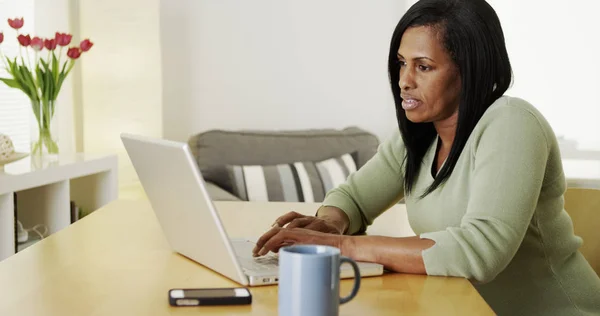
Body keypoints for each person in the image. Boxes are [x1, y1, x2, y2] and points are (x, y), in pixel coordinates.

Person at [251, 0, 600, 315]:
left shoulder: (512, 124)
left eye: (424, 66)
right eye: (402, 63)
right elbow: (353, 197)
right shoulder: (421, 134)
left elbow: (479, 253)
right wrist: (329, 223)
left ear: (469, 70)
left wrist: (342, 245)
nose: (404, 80)